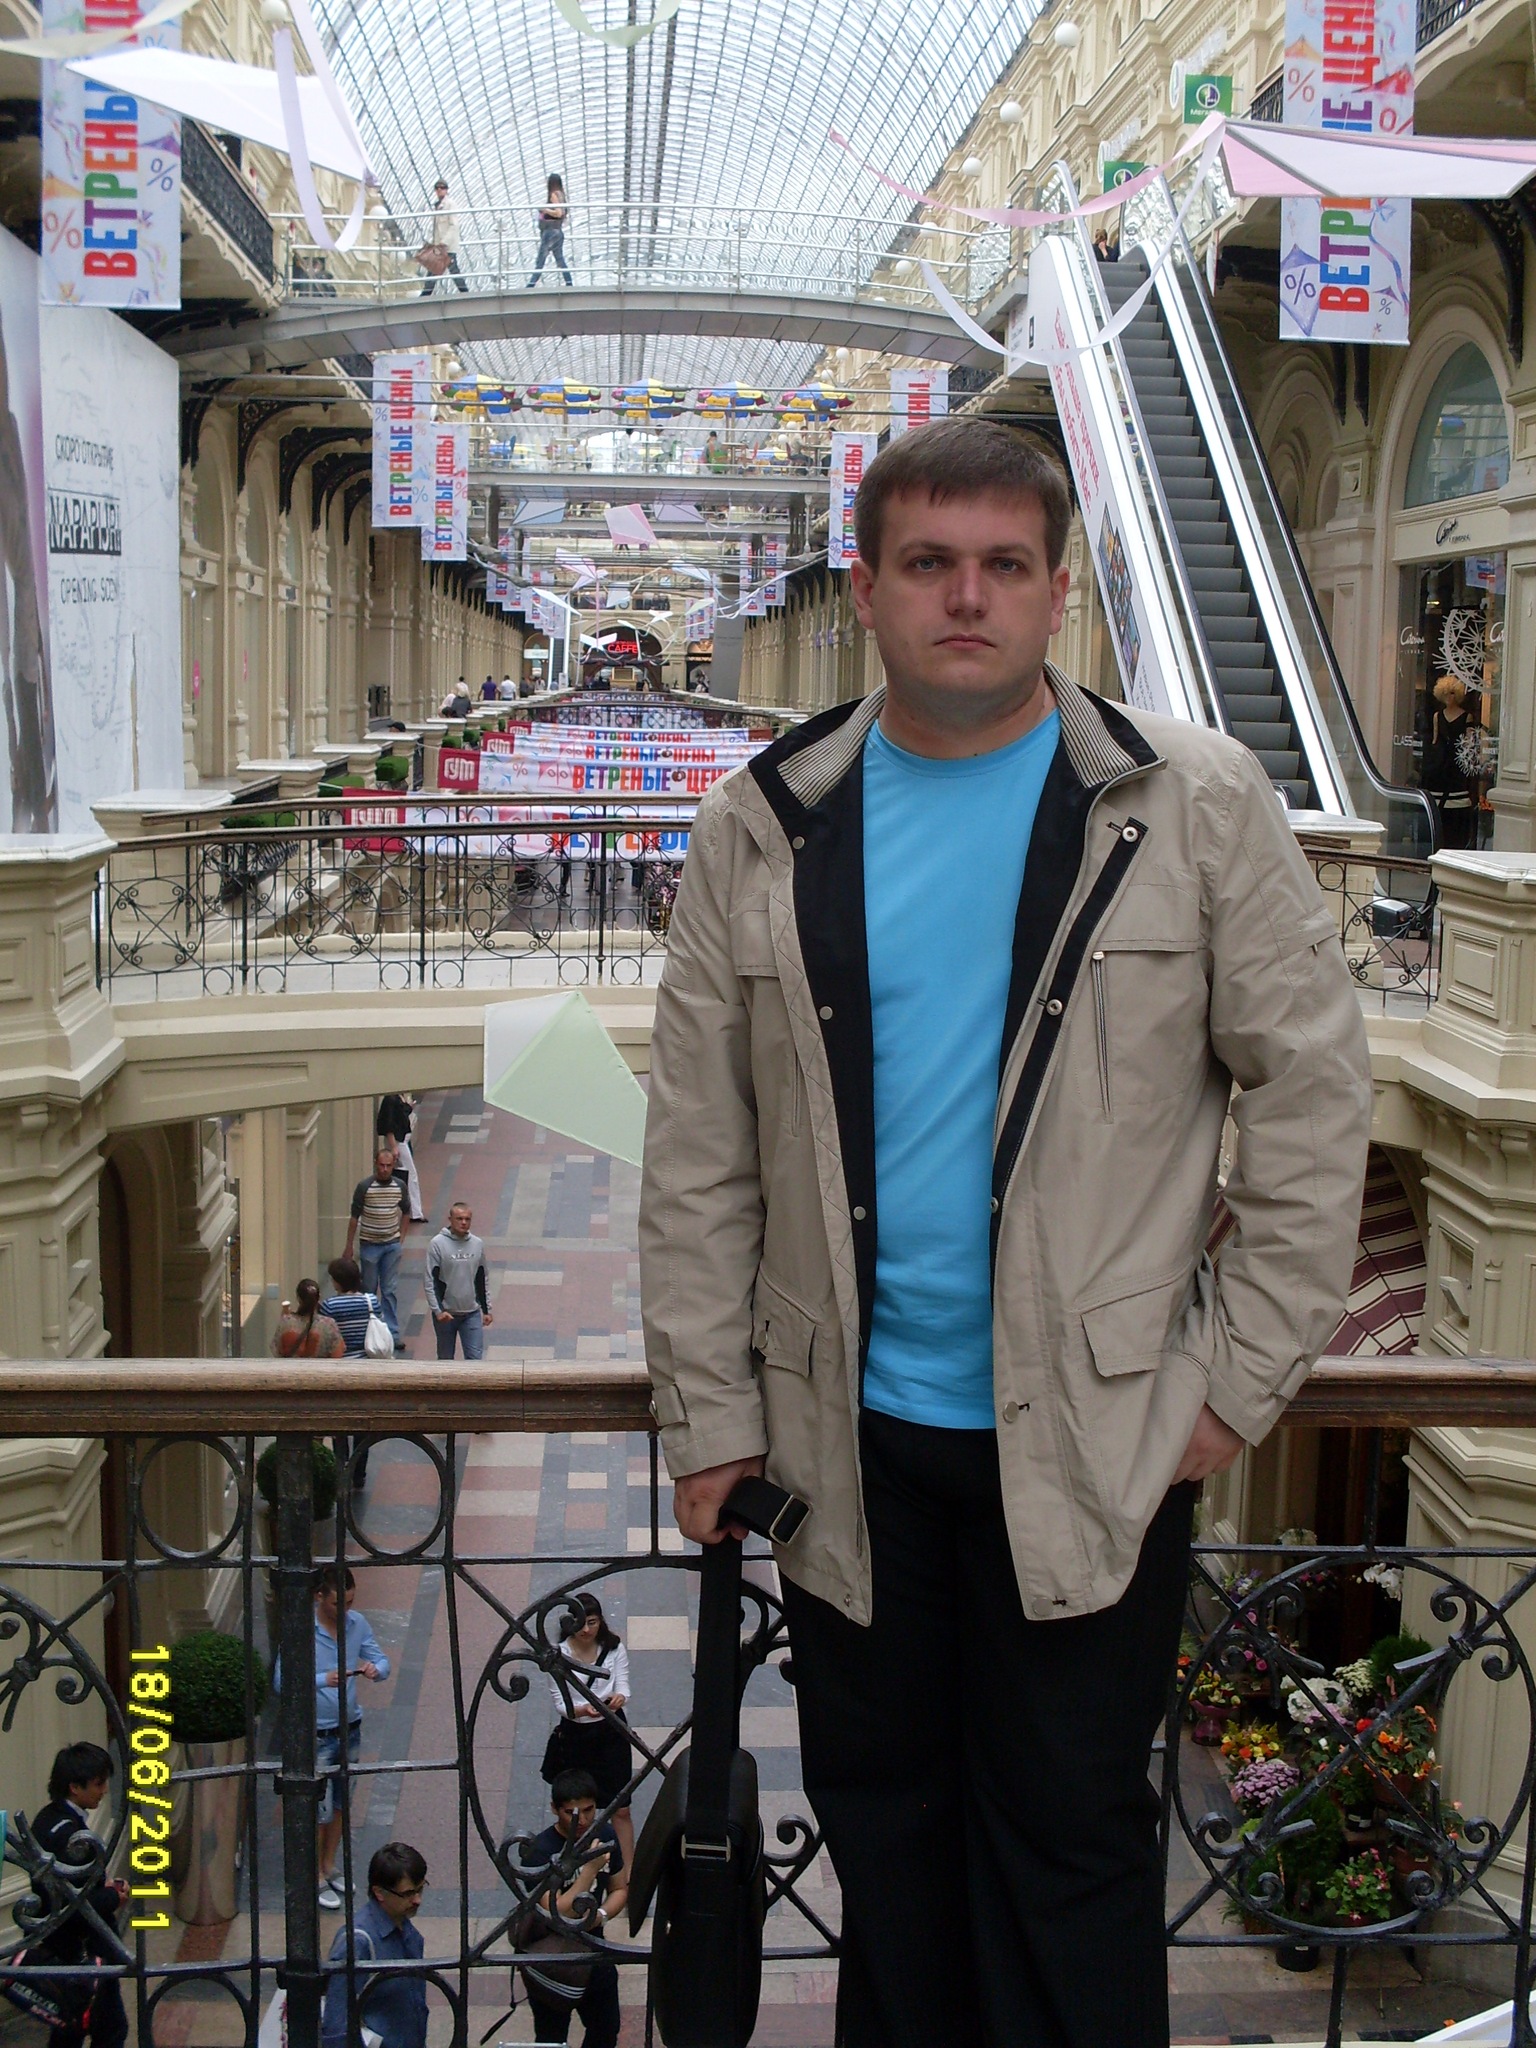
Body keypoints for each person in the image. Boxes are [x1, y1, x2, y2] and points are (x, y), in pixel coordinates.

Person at [638, 416, 1373, 2048]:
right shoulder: (764, 821)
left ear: (1057, 592)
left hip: (1100, 1441)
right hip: (849, 1444)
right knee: (887, 1846)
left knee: (1071, 1851)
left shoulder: (1188, 804)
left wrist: (1232, 1380)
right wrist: (710, 1411)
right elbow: (699, 1150)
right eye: (928, 563)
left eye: (1002, 565)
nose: (964, 597)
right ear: (866, 588)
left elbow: (1315, 1093)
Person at [275, 1565, 391, 1911]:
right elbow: (282, 1681)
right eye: (338, 1603)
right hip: (317, 1733)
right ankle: (313, 1875)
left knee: (341, 1804)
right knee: (318, 1808)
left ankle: (328, 1865)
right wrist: (323, 1679)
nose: (345, 1610)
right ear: (319, 1596)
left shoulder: (357, 1624)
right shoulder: (301, 1630)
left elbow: (381, 1660)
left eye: (350, 1603)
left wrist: (375, 1670)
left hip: (349, 1727)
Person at [12, 1744, 127, 2048]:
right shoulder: (70, 1835)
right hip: (82, 1950)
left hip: (64, 1947)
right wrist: (113, 1896)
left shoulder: (47, 1819)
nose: (104, 1791)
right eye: (98, 1783)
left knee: (70, 2028)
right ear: (75, 1787)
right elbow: (75, 1906)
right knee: (109, 2028)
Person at [515, 1769, 626, 2048]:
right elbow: (557, 1912)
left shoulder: (605, 1835)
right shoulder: (540, 1851)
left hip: (594, 1949)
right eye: (571, 1812)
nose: (582, 1820)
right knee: (551, 2036)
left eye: (589, 1810)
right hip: (550, 1958)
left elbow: (619, 1889)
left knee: (606, 2029)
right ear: (555, 1809)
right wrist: (589, 1870)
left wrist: (601, 1915)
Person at [541, 1595, 634, 1873]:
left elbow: (624, 1686)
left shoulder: (614, 1648)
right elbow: (561, 1703)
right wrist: (583, 1710)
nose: (586, 1629)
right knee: (575, 1809)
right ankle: (573, 1866)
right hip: (576, 1736)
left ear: (600, 1621)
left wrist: (618, 1698)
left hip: (611, 1731)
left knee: (621, 1807)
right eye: (580, 1623)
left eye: (592, 1622)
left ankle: (628, 1872)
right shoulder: (558, 1655)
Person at [321, 1841, 428, 2048]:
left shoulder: (405, 1927)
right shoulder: (358, 1942)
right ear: (379, 1892)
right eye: (408, 1893)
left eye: (420, 1889)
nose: (417, 1900)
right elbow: (336, 2024)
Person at [320, 1256, 387, 1489]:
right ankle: (359, 1473)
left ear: (337, 1281)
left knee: (340, 1426)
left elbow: (327, 1336)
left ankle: (342, 1470)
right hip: (366, 1369)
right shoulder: (371, 1301)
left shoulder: (329, 1306)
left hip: (340, 1370)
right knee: (362, 1424)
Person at [345, 1150, 412, 1353]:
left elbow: (406, 1211)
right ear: (376, 1163)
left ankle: (392, 1333)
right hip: (370, 1245)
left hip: (391, 1245)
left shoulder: (399, 1186)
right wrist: (349, 1246)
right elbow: (354, 1217)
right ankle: (368, 1331)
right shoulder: (365, 1187)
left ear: (393, 1165)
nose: (384, 1169)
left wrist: (401, 1237)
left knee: (389, 1290)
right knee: (369, 1290)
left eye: (388, 1166)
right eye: (381, 1165)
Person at [427, 1202, 494, 1359]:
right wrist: (438, 1310)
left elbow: (482, 1277)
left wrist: (487, 1310)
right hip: (446, 1314)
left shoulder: (477, 1244)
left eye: (467, 1219)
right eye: (459, 1219)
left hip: (471, 1313)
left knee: (475, 1359)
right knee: (445, 1359)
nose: (463, 1223)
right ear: (450, 1219)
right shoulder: (437, 1244)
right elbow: (430, 1280)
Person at [1422, 672, 1478, 850]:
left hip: (1457, 766)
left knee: (1455, 810)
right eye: (1446, 693)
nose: (1449, 697)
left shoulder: (1466, 717)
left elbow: (1469, 743)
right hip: (1439, 767)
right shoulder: (1437, 716)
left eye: (1452, 693)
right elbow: (1434, 741)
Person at [376, 1091, 426, 1224]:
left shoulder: (397, 1097)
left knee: (406, 1174)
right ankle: (414, 1212)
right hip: (398, 1142)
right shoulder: (391, 1099)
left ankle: (413, 1210)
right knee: (410, 1175)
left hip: (401, 1140)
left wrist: (408, 1107)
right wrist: (394, 1147)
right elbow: (389, 1126)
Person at [273, 1278, 345, 1360]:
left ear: (298, 1298)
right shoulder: (329, 1325)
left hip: (290, 1368)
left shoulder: (286, 1322)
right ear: (319, 1297)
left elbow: (276, 1350)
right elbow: (337, 1354)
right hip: (320, 1368)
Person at [418, 177, 467, 295]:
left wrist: (443, 243)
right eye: (437, 188)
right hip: (440, 247)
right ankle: (465, 293)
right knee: (436, 271)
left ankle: (465, 293)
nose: (440, 190)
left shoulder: (450, 204)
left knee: (450, 270)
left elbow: (454, 225)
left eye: (442, 188)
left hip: (446, 246)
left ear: (447, 190)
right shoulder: (438, 206)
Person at [527, 173, 573, 288]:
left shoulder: (554, 195)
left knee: (541, 259)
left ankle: (531, 285)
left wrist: (545, 210)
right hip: (558, 232)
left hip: (550, 232)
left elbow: (559, 213)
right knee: (559, 259)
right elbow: (562, 213)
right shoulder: (562, 195)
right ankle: (569, 283)